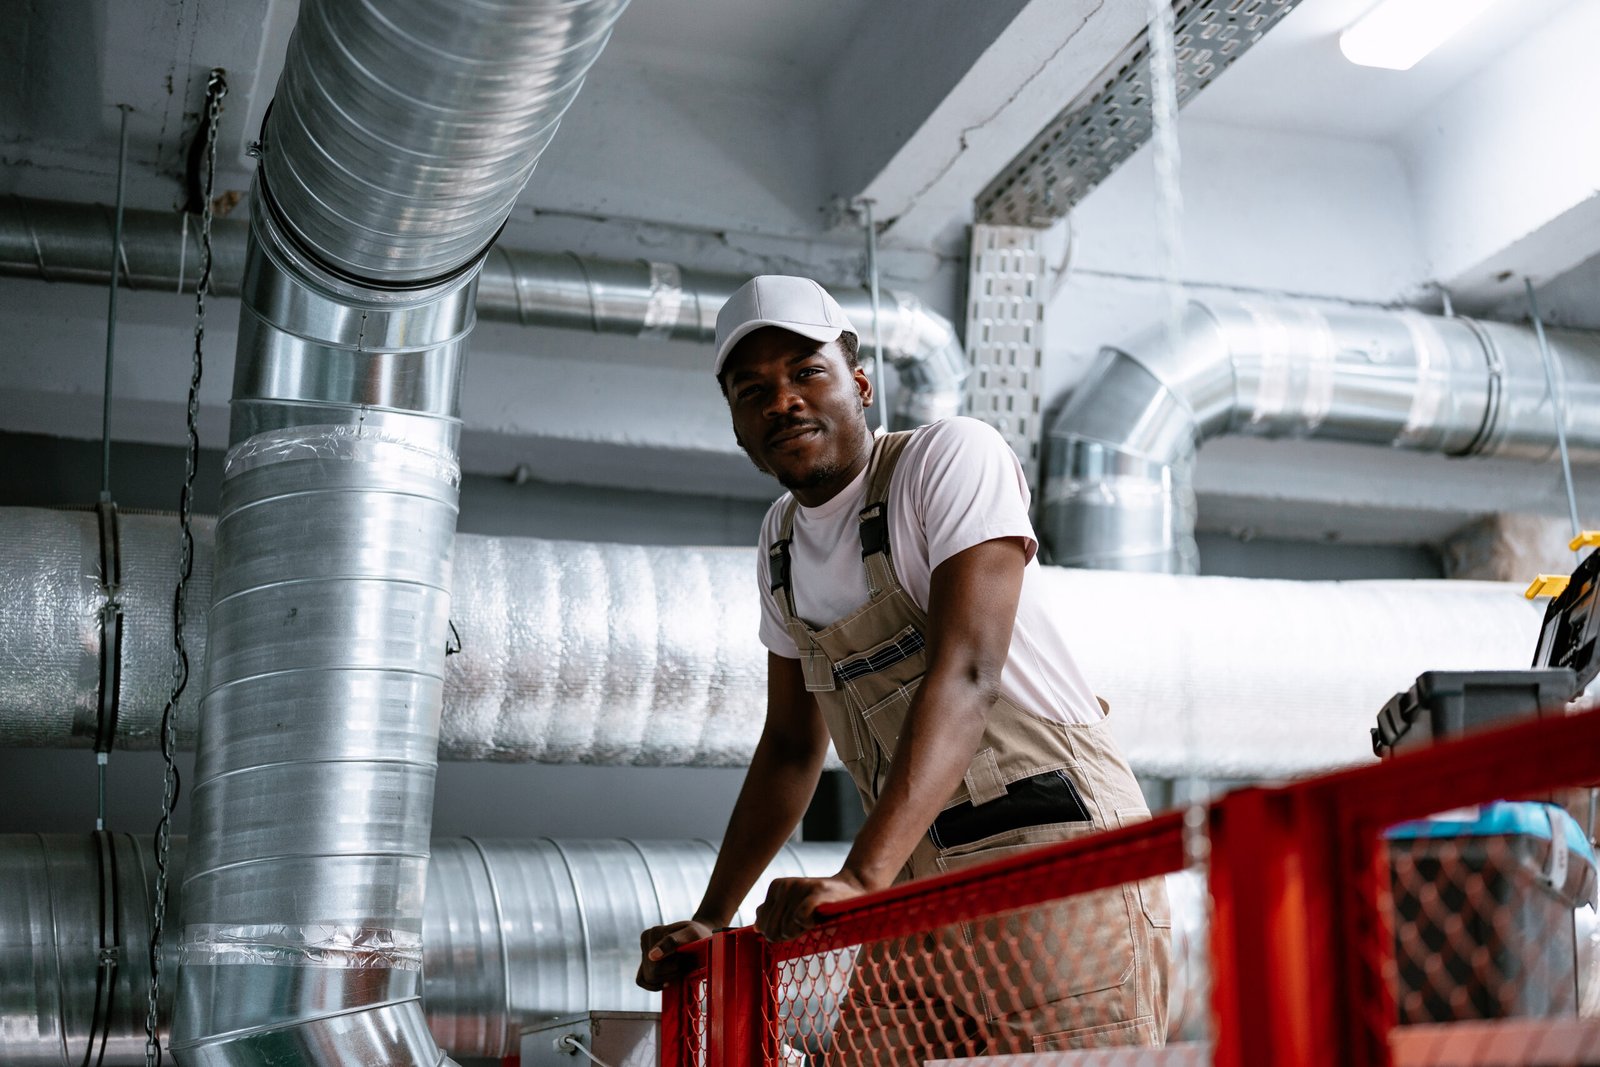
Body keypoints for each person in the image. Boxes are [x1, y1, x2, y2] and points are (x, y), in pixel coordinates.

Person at [636, 275, 1169, 1053]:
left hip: (1051, 865)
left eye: (805, 371)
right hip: (914, 883)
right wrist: (716, 915)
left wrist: (860, 874)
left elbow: (968, 675)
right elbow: (790, 748)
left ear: (859, 382)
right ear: (737, 424)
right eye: (753, 389)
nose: (781, 399)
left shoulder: (947, 459)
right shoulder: (780, 544)